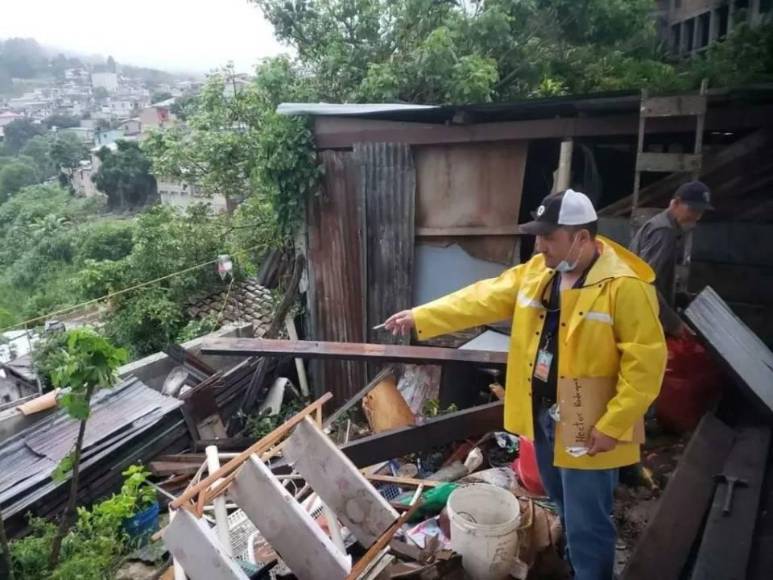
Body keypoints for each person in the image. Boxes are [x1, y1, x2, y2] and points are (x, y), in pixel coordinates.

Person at [385, 189, 666, 580]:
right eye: (538, 235)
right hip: (545, 415)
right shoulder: (539, 272)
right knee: (563, 504)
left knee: (589, 520)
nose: (540, 244)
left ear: (581, 238)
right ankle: (572, 567)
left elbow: (646, 366)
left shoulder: (624, 286)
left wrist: (613, 425)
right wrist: (420, 316)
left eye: (549, 236)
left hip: (591, 424)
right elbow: (480, 298)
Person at [629, 180, 713, 337]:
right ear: (675, 203)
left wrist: (680, 297)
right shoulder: (664, 232)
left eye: (701, 212)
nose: (697, 216)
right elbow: (645, 284)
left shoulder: (664, 227)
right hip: (643, 319)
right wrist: (673, 324)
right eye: (693, 209)